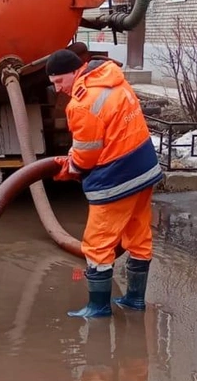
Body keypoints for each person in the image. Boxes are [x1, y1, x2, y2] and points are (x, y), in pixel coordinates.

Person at [46, 48, 163, 318]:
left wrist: (69, 168)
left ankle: (98, 307)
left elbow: (86, 156)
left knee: (98, 243)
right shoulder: (115, 81)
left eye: (59, 81)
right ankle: (134, 299)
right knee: (138, 236)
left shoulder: (82, 103)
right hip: (144, 170)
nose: (58, 89)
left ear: (75, 72)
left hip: (117, 179)